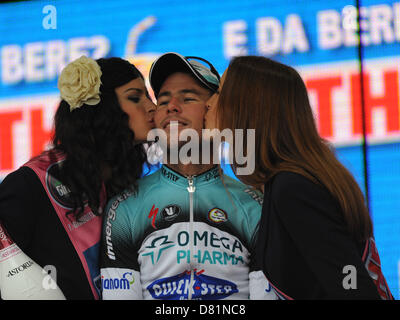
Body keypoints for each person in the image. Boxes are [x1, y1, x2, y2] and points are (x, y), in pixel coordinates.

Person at [204, 55, 394, 300]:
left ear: (246, 107)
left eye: (219, 92)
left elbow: (352, 287)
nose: (208, 103)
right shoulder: (292, 180)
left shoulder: (293, 187)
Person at [0, 56, 156, 300]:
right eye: (135, 97)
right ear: (102, 109)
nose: (151, 106)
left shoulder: (125, 185)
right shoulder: (31, 185)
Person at [100, 52, 272, 300]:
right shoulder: (124, 207)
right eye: (163, 100)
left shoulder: (254, 205)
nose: (172, 106)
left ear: (215, 110)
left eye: (188, 98)